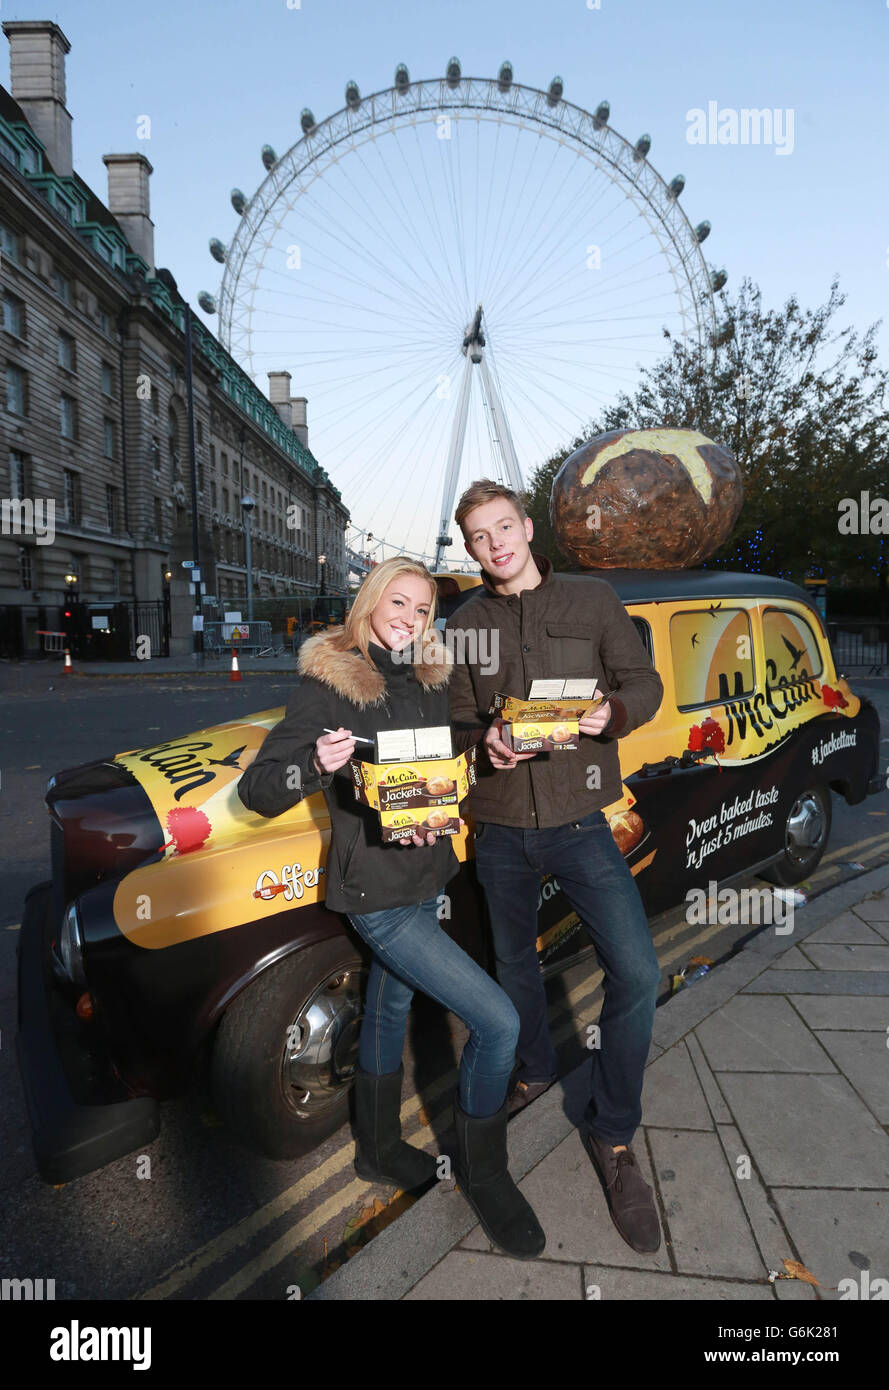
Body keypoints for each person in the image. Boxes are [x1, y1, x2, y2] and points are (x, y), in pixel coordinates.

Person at [237, 556, 544, 1260]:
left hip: (426, 873)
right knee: (498, 1022)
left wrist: (480, 755)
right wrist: (313, 764)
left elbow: (434, 765)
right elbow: (259, 790)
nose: (409, 619)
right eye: (398, 603)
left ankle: (375, 1149)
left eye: (421, 609)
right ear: (371, 601)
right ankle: (486, 1173)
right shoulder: (329, 683)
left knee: (389, 1006)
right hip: (378, 894)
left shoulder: (426, 677)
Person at [446, 480, 666, 1254]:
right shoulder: (464, 624)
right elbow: (455, 717)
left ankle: (612, 1137)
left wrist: (615, 712)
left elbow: (643, 681)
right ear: (468, 547)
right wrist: (483, 744)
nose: (495, 543)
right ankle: (533, 1068)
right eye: (478, 536)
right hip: (500, 826)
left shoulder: (592, 598)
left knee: (638, 974)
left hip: (579, 820)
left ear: (526, 527)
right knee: (514, 963)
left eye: (503, 526)